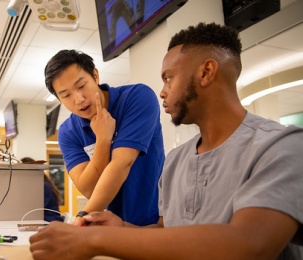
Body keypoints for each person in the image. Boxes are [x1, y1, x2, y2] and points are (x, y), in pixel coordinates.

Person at [29, 22, 303, 259]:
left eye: (169, 79)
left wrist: (90, 238)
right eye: (66, 95)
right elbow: (168, 231)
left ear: (206, 72)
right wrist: (121, 229)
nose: (161, 92)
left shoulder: (281, 146)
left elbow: (250, 246)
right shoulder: (177, 160)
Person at [44, 49, 165, 226]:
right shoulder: (68, 131)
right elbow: (89, 189)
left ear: (95, 76)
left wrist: (82, 217)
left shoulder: (137, 97)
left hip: (154, 222)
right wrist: (103, 140)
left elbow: (122, 163)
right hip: (110, 226)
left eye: (81, 86)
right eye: (66, 95)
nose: (79, 99)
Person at [21, 157, 64, 222]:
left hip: (50, 222)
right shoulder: (41, 184)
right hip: (46, 221)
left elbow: (35, 209)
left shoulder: (43, 186)